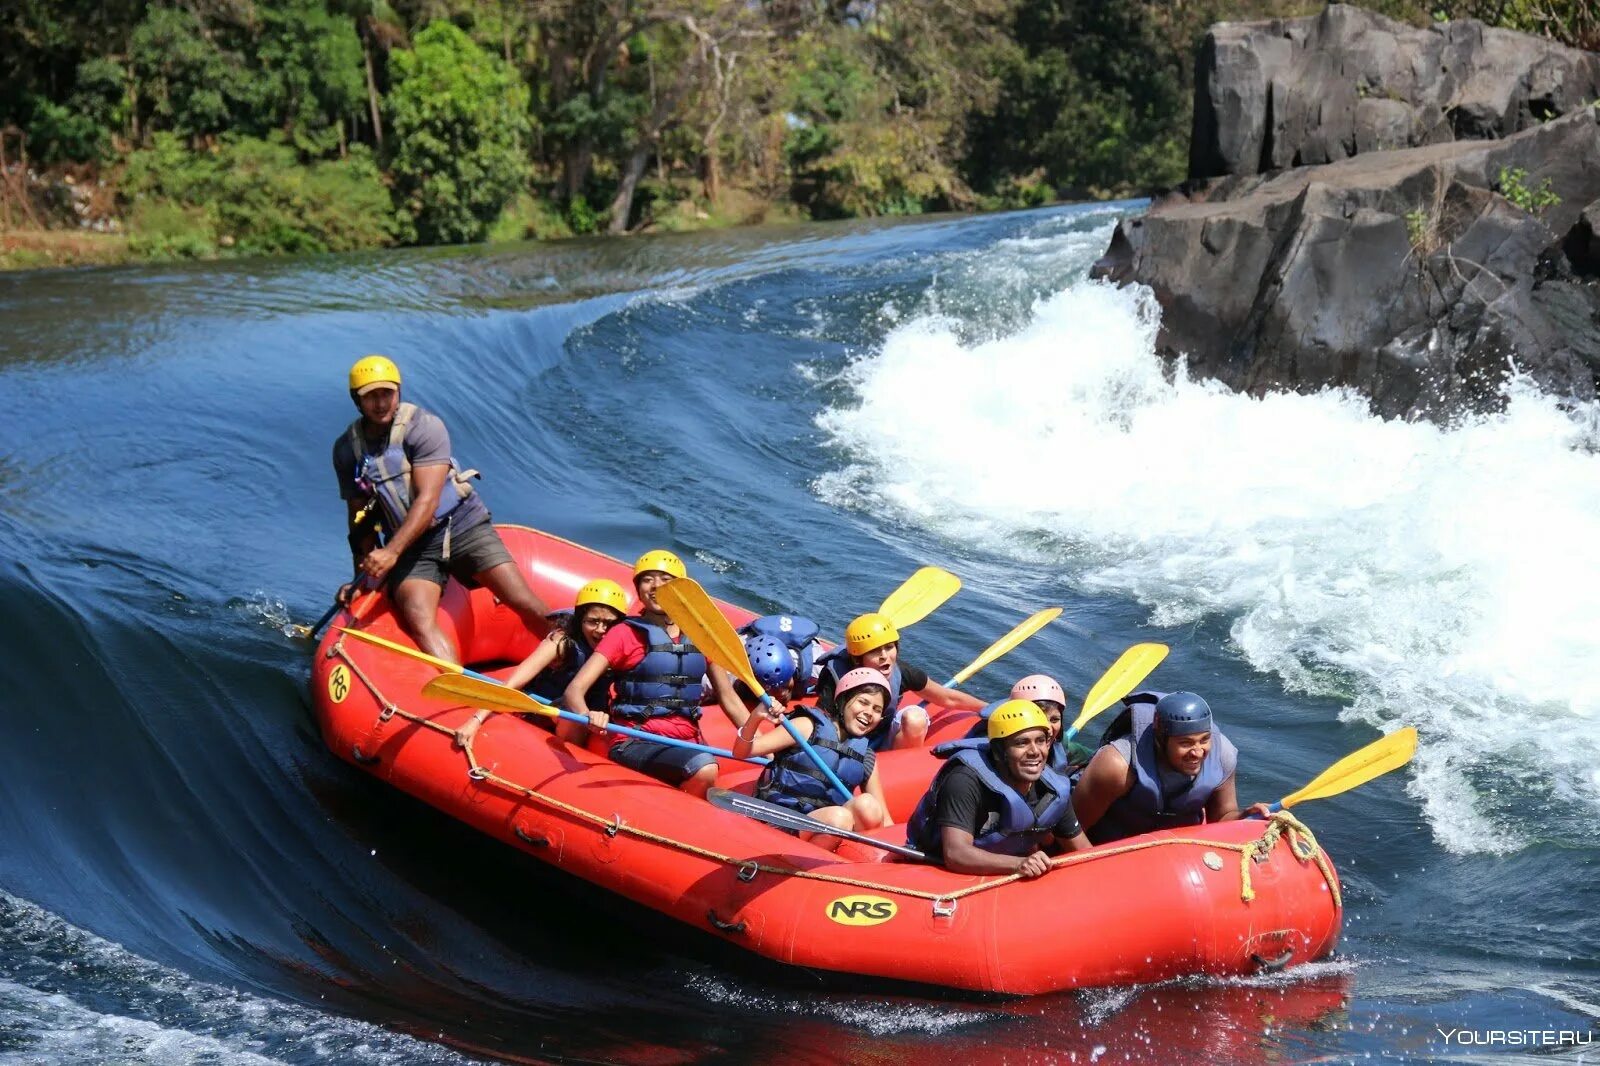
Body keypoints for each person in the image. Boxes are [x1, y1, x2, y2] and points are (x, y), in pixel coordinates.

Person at [332, 355, 551, 661]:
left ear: (398, 392)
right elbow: (359, 521)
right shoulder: (347, 451)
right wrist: (361, 577)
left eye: (386, 393)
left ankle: (575, 664)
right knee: (420, 620)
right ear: (357, 400)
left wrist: (391, 552)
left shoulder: (424, 427)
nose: (380, 403)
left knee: (521, 600)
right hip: (414, 548)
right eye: (371, 397)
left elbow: (428, 500)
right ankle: (458, 692)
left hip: (461, 525)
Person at [561, 549, 733, 797]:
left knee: (704, 762)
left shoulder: (702, 636)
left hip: (686, 741)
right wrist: (587, 714)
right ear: (638, 588)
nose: (655, 586)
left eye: (665, 579)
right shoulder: (623, 633)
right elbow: (575, 690)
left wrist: (762, 740)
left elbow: (728, 698)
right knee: (704, 767)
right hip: (635, 739)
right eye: (647, 579)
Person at [906, 700, 1091, 877]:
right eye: (1022, 743)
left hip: (1004, 878)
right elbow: (956, 854)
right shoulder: (964, 780)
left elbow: (1084, 852)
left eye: (1040, 741)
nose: (1035, 751)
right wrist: (1019, 864)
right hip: (937, 870)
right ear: (998, 751)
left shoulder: (1053, 790)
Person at [1071, 691, 1269, 844]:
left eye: (1204, 740)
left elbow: (1222, 817)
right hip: (1108, 845)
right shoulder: (1117, 766)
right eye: (1186, 743)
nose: (1198, 752)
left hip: (1172, 852)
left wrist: (1246, 816)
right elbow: (1071, 830)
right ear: (1160, 740)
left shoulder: (1222, 756)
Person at [454, 578, 628, 747]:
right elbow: (514, 682)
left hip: (591, 722)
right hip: (549, 714)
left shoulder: (620, 650)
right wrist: (475, 720)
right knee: (573, 714)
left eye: (608, 623)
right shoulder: (561, 642)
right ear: (580, 619)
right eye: (593, 621)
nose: (600, 630)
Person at [731, 667, 893, 848]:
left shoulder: (866, 756)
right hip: (779, 820)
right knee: (839, 818)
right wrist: (755, 717)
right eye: (863, 702)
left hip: (823, 827)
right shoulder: (807, 726)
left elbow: (884, 819)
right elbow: (741, 752)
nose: (869, 712)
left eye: (877, 709)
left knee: (868, 806)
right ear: (843, 700)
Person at [814, 612, 985, 751]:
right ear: (858, 659)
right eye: (874, 651)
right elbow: (822, 725)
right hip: (843, 740)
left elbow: (948, 698)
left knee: (915, 718)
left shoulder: (901, 672)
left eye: (889, 647)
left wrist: (988, 709)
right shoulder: (837, 677)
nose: (884, 656)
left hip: (879, 740)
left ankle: (897, 770)